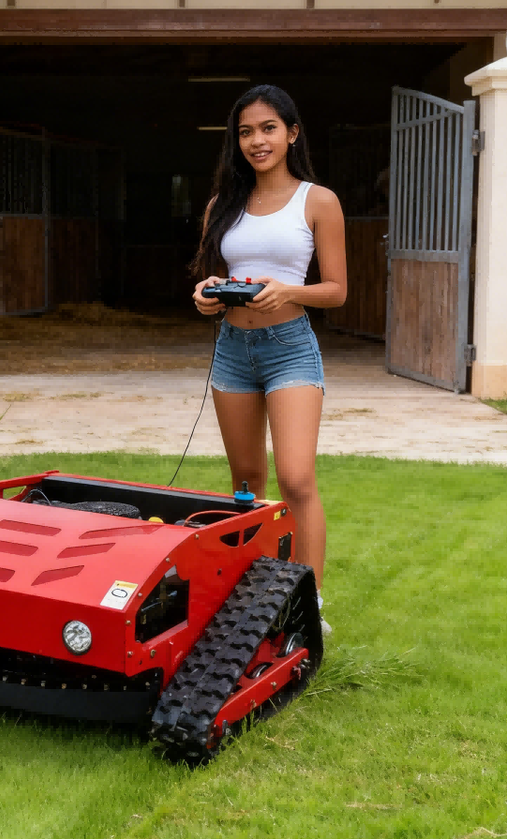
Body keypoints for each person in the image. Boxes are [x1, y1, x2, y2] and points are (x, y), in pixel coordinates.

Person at [191, 84, 346, 628]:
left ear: (292, 133)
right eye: (245, 132)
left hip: (290, 349)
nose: (257, 140)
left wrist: (289, 291)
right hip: (232, 351)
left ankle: (309, 606)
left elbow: (336, 290)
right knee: (245, 483)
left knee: (297, 479)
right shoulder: (222, 205)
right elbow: (215, 280)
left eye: (268, 128)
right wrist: (208, 295)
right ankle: (249, 598)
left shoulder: (318, 201)